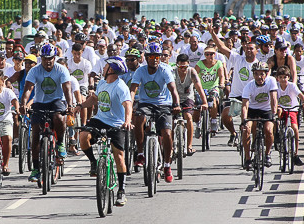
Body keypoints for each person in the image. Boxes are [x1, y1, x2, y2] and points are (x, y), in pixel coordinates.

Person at [75, 57, 133, 206]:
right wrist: (81, 106)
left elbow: (127, 105)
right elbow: (94, 99)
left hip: (116, 124)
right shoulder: (101, 83)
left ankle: (121, 191)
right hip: (100, 119)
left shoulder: (120, 87)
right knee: (83, 136)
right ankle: (94, 163)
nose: (103, 67)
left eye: (106, 65)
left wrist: (127, 121)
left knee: (119, 157)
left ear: (111, 70)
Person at [18, 44, 75, 182]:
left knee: (58, 117)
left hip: (57, 101)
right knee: (36, 133)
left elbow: (67, 89)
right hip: (40, 102)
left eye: (50, 58)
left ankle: (60, 143)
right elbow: (28, 89)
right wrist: (23, 104)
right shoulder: (34, 71)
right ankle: (36, 169)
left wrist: (70, 105)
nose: (47, 61)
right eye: (44, 58)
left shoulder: (61, 70)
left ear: (54, 58)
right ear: (40, 58)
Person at [130, 42, 182, 183]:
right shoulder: (140, 71)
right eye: (152, 56)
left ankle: (166, 165)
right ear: (146, 58)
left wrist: (176, 104)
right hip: (146, 104)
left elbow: (173, 89)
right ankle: (140, 154)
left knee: (166, 132)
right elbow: (133, 90)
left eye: (157, 56)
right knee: (139, 118)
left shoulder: (165, 70)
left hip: (163, 105)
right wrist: (129, 104)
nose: (155, 59)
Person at [209, 23, 258, 146]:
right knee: (225, 116)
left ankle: (255, 144)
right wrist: (212, 33)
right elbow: (221, 46)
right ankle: (233, 134)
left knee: (250, 123)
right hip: (236, 96)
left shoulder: (259, 65)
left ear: (257, 50)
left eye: (251, 48)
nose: (248, 50)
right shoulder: (237, 58)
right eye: (247, 48)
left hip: (251, 98)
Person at [240, 61, 278, 170]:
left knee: (269, 130)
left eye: (261, 74)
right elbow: (245, 106)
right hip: (252, 109)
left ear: (266, 74)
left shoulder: (271, 81)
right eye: (256, 74)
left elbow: (274, 99)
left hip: (266, 109)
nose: (259, 77)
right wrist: (244, 120)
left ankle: (267, 154)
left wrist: (274, 114)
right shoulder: (249, 86)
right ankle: (247, 159)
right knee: (246, 129)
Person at [173, 54, 208, 155]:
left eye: (185, 67)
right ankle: (170, 146)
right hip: (174, 98)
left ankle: (189, 145)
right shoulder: (172, 72)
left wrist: (204, 102)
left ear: (188, 64)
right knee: (170, 119)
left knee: (188, 116)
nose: (183, 69)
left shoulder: (191, 72)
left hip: (188, 98)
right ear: (177, 65)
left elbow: (199, 87)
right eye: (180, 67)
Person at [276, 66, 304, 165]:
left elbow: (301, 96)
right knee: (278, 112)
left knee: (295, 129)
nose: (283, 80)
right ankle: (277, 133)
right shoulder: (276, 86)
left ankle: (295, 154)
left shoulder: (292, 86)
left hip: (292, 109)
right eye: (280, 77)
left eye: (285, 77)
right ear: (277, 78)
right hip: (281, 108)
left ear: (288, 77)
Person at [195, 46, 226, 134]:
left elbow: (221, 76)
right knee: (197, 105)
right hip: (201, 88)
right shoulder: (200, 63)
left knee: (213, 101)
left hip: (213, 87)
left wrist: (222, 84)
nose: (209, 56)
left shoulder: (218, 63)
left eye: (211, 54)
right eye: (207, 54)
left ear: (215, 54)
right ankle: (197, 125)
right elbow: (194, 75)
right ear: (205, 55)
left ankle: (213, 121)